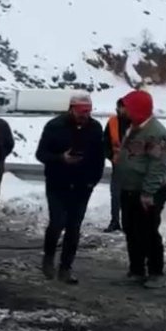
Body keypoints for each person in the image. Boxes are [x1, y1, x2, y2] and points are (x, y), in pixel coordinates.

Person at [34, 93, 106, 284]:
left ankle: (66, 267)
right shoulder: (54, 126)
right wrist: (61, 158)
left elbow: (100, 157)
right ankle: (48, 257)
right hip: (58, 183)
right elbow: (41, 154)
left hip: (83, 185)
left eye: (89, 112)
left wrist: (93, 181)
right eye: (82, 112)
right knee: (57, 222)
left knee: (74, 227)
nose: (86, 115)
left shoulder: (95, 128)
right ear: (72, 108)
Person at [116, 89, 166, 288]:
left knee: (147, 231)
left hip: (148, 191)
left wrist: (148, 192)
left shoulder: (156, 133)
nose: (124, 111)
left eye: (128, 108)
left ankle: (155, 271)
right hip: (129, 188)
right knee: (130, 229)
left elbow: (157, 166)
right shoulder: (133, 127)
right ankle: (136, 269)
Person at [103, 98, 131, 232]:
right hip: (117, 165)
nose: (123, 110)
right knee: (116, 194)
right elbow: (105, 143)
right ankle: (114, 222)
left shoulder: (136, 123)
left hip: (133, 167)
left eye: (125, 107)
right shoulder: (112, 122)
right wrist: (111, 156)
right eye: (121, 107)